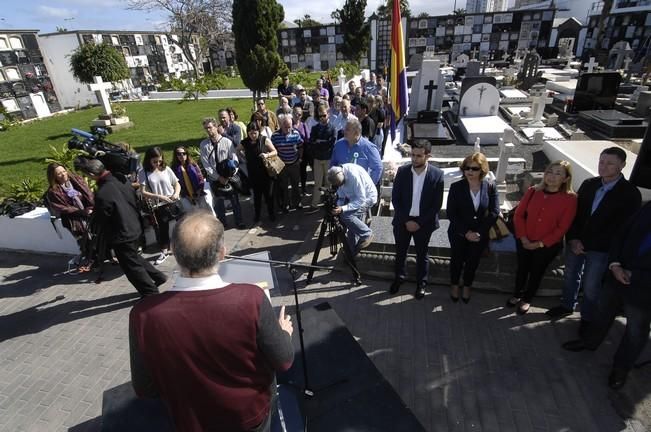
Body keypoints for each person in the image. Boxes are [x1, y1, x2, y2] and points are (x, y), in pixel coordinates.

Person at [129, 210, 294, 431]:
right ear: (223, 253)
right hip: (249, 417)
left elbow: (145, 388)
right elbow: (283, 360)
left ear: (175, 253)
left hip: (191, 422)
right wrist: (283, 333)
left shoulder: (143, 315)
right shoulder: (251, 298)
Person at [546, 147, 641, 325]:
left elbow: (623, 229)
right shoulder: (589, 184)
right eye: (601, 161)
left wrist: (588, 243)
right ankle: (567, 305)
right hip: (577, 243)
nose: (603, 167)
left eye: (610, 163)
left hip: (601, 249)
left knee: (591, 285)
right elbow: (574, 214)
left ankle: (587, 318)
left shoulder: (629, 193)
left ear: (622, 165)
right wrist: (573, 238)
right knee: (570, 275)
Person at [561, 201, 651, 390]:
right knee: (602, 312)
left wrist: (634, 274)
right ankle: (589, 342)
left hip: (644, 289)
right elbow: (621, 234)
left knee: (636, 331)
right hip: (616, 276)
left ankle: (620, 368)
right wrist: (615, 264)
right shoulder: (647, 207)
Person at [74, 157, 166, 297]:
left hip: (122, 234)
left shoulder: (102, 193)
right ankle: (158, 276)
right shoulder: (120, 179)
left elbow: (102, 219)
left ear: (92, 175)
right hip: (135, 227)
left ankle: (150, 294)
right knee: (133, 257)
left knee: (132, 267)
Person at [506, 160, 578, 314]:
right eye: (550, 172)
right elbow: (519, 215)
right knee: (522, 268)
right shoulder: (533, 191)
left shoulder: (570, 199)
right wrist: (523, 238)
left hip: (547, 245)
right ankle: (517, 294)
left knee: (537, 271)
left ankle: (527, 299)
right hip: (525, 239)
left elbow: (563, 227)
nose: (552, 176)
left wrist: (539, 244)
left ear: (566, 178)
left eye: (558, 173)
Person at [390, 141, 444, 300]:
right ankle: (399, 278)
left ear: (428, 156)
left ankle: (421, 283)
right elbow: (396, 199)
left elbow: (436, 205)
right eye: (412, 155)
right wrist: (407, 220)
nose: (414, 158)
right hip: (403, 221)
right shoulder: (402, 171)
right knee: (400, 252)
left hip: (424, 223)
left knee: (422, 254)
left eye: (419, 156)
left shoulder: (437, 175)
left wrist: (419, 223)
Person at [446, 153, 499, 303]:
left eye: (474, 169)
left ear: (482, 170)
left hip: (479, 234)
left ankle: (467, 285)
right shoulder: (456, 187)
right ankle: (455, 285)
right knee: (456, 260)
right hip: (459, 232)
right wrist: (466, 232)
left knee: (473, 262)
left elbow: (494, 211)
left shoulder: (489, 186)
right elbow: (451, 213)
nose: (470, 172)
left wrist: (479, 233)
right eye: (466, 168)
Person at [46, 163, 95, 271]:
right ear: (53, 177)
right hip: (73, 219)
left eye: (64, 171)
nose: (63, 175)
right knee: (84, 239)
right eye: (59, 174)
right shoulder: (53, 192)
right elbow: (62, 208)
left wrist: (90, 207)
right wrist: (81, 212)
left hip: (88, 211)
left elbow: (88, 194)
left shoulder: (76, 180)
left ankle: (104, 256)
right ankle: (90, 259)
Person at [199, 117, 245, 229]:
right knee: (219, 203)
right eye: (206, 128)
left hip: (229, 177)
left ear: (216, 127)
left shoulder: (226, 142)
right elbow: (206, 165)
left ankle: (239, 221)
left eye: (210, 127)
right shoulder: (204, 145)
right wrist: (218, 177)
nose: (208, 130)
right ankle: (222, 224)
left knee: (235, 200)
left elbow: (234, 159)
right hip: (215, 178)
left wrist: (230, 174)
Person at [139, 147, 182, 266]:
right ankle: (164, 251)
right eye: (154, 161)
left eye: (159, 161)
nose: (158, 164)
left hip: (173, 201)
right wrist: (159, 197)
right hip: (160, 204)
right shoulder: (144, 172)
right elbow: (143, 192)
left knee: (182, 225)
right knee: (163, 229)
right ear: (148, 160)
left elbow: (176, 183)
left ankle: (185, 245)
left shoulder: (166, 169)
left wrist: (176, 193)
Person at [327, 164, 377, 255]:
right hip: (354, 199)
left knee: (346, 216)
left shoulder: (353, 176)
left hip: (367, 198)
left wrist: (343, 208)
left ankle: (367, 234)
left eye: (341, 183)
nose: (340, 186)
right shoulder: (338, 175)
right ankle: (351, 253)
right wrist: (338, 207)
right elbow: (341, 197)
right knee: (352, 227)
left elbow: (361, 199)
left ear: (343, 175)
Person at [238, 122, 277, 224]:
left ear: (258, 131)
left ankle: (271, 214)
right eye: (250, 133)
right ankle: (257, 215)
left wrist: (267, 155)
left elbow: (275, 151)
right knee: (257, 196)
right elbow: (237, 150)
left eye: (255, 133)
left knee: (269, 196)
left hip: (265, 173)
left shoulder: (264, 139)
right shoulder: (245, 142)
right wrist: (244, 158)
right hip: (253, 174)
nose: (253, 135)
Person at [330, 118, 382, 185]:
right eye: (345, 128)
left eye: (347, 129)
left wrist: (368, 185)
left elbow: (377, 168)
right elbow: (333, 164)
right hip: (342, 190)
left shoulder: (369, 147)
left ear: (356, 133)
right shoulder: (338, 145)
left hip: (360, 191)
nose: (344, 131)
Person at [270, 114, 303, 213]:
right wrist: (275, 164)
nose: (288, 129)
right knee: (284, 186)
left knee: (295, 185)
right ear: (281, 125)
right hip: (282, 165)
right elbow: (272, 150)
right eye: (286, 127)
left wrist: (300, 158)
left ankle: (297, 202)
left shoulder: (296, 134)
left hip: (294, 163)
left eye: (290, 127)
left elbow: (301, 146)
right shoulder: (275, 136)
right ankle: (286, 204)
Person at [307, 105, 337, 213]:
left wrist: (320, 142)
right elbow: (312, 142)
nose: (322, 118)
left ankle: (329, 202)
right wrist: (322, 142)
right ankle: (314, 204)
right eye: (320, 116)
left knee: (328, 182)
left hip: (328, 158)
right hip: (318, 158)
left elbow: (331, 143)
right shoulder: (315, 128)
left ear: (328, 114)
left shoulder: (333, 128)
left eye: (324, 115)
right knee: (317, 183)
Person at [170, 145, 212, 214]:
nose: (182, 155)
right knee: (193, 215)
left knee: (206, 212)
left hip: (199, 193)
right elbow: (176, 184)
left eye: (184, 153)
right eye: (179, 154)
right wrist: (187, 196)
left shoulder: (193, 164)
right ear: (176, 156)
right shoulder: (174, 169)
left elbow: (200, 178)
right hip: (186, 197)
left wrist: (198, 192)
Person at [292, 105, 312, 195]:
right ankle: (295, 191)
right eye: (295, 113)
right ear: (292, 113)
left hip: (302, 153)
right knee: (294, 174)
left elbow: (308, 139)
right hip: (291, 153)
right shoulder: (289, 124)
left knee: (303, 171)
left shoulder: (303, 125)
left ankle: (303, 189)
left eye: (299, 114)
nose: (297, 116)